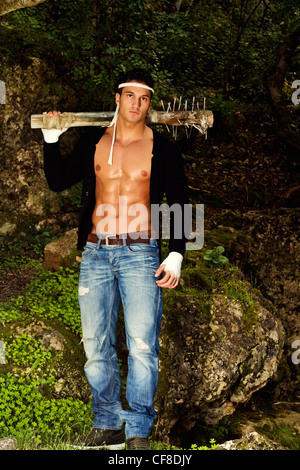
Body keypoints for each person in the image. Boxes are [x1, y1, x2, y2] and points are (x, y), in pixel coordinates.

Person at [42, 69, 189, 450]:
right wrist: (50, 139)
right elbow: (58, 181)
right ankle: (106, 423)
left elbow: (181, 202)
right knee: (95, 345)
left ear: (149, 104)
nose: (136, 104)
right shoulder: (95, 142)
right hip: (95, 252)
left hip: (141, 253)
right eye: (130, 96)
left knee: (142, 344)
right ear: (117, 98)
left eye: (144, 98)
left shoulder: (164, 148)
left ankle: (138, 430)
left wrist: (176, 254)